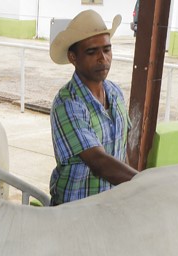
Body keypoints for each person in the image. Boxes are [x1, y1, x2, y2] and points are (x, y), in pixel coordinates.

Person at [47, 10, 137, 205]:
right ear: (73, 57)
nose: (102, 58)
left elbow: (122, 150)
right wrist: (144, 184)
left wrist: (131, 193)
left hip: (111, 206)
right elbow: (98, 162)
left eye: (107, 49)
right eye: (91, 52)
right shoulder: (68, 103)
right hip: (75, 212)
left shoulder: (114, 92)